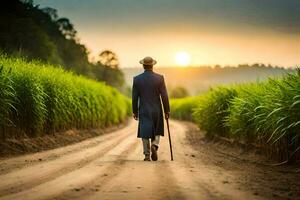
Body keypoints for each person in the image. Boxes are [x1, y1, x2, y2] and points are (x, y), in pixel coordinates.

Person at [132, 56, 170, 161]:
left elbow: (135, 97)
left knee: (145, 131)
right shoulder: (160, 78)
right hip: (157, 109)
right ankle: (155, 145)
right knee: (157, 129)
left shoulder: (137, 79)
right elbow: (164, 96)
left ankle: (147, 155)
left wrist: (135, 111)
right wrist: (167, 110)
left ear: (143, 66)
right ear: (152, 65)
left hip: (144, 109)